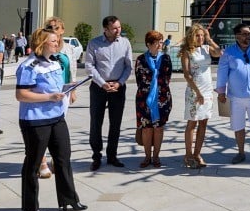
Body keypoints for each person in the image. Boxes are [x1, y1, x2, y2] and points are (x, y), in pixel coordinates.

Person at [15, 28, 86, 211]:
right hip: (36, 120)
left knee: (63, 159)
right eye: (53, 41)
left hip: (57, 118)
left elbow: (55, 88)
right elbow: (21, 94)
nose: (57, 43)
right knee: (33, 162)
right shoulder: (29, 66)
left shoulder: (54, 63)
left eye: (58, 40)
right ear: (42, 42)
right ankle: (31, 205)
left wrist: (67, 88)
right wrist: (49, 96)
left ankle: (69, 200)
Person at [216, 23, 250, 164]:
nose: (248, 36)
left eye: (249, 34)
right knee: (238, 126)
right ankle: (240, 153)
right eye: (245, 34)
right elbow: (222, 73)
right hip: (235, 97)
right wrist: (221, 92)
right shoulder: (228, 52)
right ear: (237, 36)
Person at [84, 15, 133, 170]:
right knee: (96, 122)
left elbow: (128, 66)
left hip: (118, 88)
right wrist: (103, 84)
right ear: (106, 29)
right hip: (99, 87)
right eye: (114, 28)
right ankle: (96, 156)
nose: (118, 30)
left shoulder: (125, 43)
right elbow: (89, 66)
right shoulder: (94, 43)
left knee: (116, 123)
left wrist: (119, 83)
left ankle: (112, 155)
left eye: (119, 27)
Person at [39, 17, 78, 178]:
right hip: (45, 92)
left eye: (57, 27)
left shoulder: (68, 48)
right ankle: (41, 162)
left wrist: (73, 89)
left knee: (58, 128)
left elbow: (71, 68)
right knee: (43, 128)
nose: (53, 29)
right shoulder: (41, 47)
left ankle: (56, 158)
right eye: (50, 27)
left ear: (62, 30)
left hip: (63, 92)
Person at [180, 24, 222, 168]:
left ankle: (197, 153)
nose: (200, 38)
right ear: (192, 36)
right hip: (194, 91)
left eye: (202, 35)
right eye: (198, 35)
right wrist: (197, 93)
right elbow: (186, 74)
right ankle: (188, 154)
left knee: (203, 123)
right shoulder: (187, 52)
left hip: (207, 90)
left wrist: (210, 40)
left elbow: (219, 53)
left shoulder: (206, 49)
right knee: (192, 123)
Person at [134, 31, 173, 168]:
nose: (161, 44)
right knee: (146, 128)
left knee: (158, 128)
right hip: (144, 99)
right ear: (149, 44)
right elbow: (139, 80)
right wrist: (149, 91)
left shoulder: (166, 58)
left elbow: (168, 78)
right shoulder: (140, 59)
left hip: (162, 98)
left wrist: (158, 89)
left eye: (161, 41)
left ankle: (156, 156)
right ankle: (147, 157)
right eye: (158, 42)